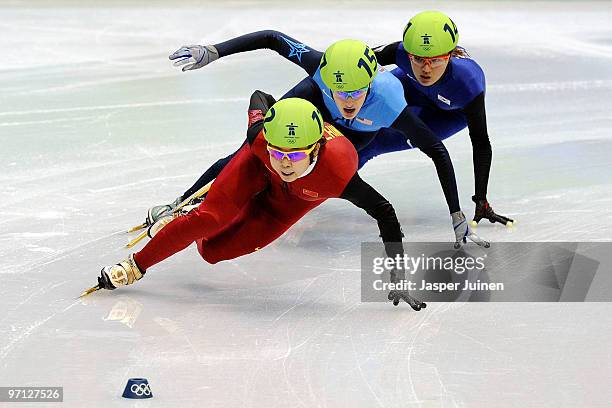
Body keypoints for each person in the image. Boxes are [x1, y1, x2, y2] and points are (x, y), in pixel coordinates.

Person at [97, 94, 433, 310]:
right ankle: (136, 265)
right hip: (256, 170)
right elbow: (259, 98)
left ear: (316, 148)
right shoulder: (260, 139)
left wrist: (399, 276)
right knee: (212, 217)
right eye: (280, 152)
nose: (285, 163)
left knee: (212, 252)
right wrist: (266, 129)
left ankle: (199, 220)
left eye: (296, 154)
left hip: (285, 206)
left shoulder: (340, 170)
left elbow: (385, 213)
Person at [152, 38, 484, 247]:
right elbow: (273, 39)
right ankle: (182, 202)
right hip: (312, 102)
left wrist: (456, 214)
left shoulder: (389, 106)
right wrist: (214, 51)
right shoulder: (320, 69)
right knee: (253, 150)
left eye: (355, 92)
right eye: (340, 91)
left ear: (370, 85)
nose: (347, 100)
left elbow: (437, 152)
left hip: (355, 134)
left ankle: (253, 210)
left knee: (321, 174)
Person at [369, 10, 512, 225]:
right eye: (418, 59)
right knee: (361, 112)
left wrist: (481, 200)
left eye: (435, 60)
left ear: (450, 55)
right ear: (409, 54)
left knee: (377, 142)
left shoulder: (468, 83)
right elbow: (349, 63)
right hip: (410, 86)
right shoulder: (399, 52)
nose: (426, 69)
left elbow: (481, 144)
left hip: (447, 113)